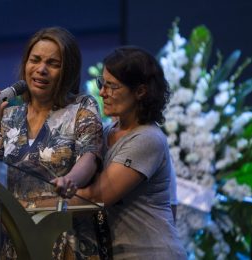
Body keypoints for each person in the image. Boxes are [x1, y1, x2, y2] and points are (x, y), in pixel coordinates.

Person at [0, 27, 103, 259]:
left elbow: (90, 156)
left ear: (68, 71)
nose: (41, 69)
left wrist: (70, 180)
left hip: (68, 244)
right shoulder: (9, 116)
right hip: (18, 244)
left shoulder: (81, 108)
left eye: (53, 63)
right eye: (35, 60)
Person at [56, 46, 187, 259]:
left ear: (140, 91)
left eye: (112, 86)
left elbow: (98, 196)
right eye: (102, 83)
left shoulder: (147, 139)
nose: (102, 93)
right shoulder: (105, 132)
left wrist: (30, 204)